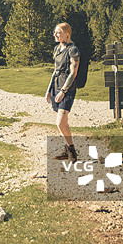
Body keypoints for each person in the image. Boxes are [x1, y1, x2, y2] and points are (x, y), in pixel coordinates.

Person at [46, 22, 80, 161]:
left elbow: (73, 73)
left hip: (67, 89)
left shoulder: (73, 50)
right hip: (56, 86)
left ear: (67, 33)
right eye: (55, 32)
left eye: (58, 32)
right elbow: (55, 70)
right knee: (64, 123)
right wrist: (49, 90)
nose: (55, 34)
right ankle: (68, 150)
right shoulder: (57, 49)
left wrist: (63, 91)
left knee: (60, 122)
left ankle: (72, 151)